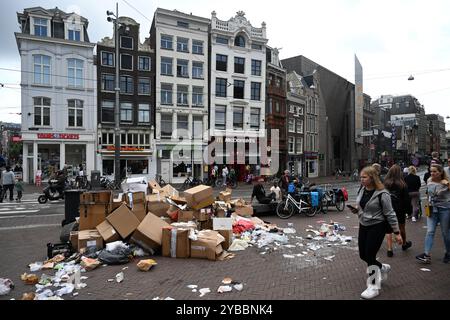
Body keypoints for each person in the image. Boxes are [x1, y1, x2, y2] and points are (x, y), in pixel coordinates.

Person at [349, 166, 402, 299]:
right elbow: (363, 206)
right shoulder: (362, 189)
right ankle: (382, 267)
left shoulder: (382, 193)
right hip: (364, 224)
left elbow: (390, 213)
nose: (361, 179)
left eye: (364, 177)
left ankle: (373, 286)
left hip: (377, 226)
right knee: (363, 255)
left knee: (370, 255)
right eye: (361, 177)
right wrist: (357, 210)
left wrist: (397, 232)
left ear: (372, 178)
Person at [416, 164, 450, 264]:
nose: (432, 173)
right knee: (430, 231)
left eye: (435, 171)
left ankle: (448, 253)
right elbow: (428, 194)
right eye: (431, 171)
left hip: (445, 209)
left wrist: (447, 184)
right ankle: (426, 255)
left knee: (445, 233)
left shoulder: (445, 181)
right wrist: (427, 205)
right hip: (432, 209)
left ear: (441, 172)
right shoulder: (429, 180)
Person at [383, 165, 412, 257]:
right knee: (402, 227)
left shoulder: (385, 184)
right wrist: (409, 210)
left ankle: (389, 249)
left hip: (388, 208)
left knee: (388, 230)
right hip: (400, 208)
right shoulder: (402, 184)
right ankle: (404, 244)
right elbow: (406, 199)